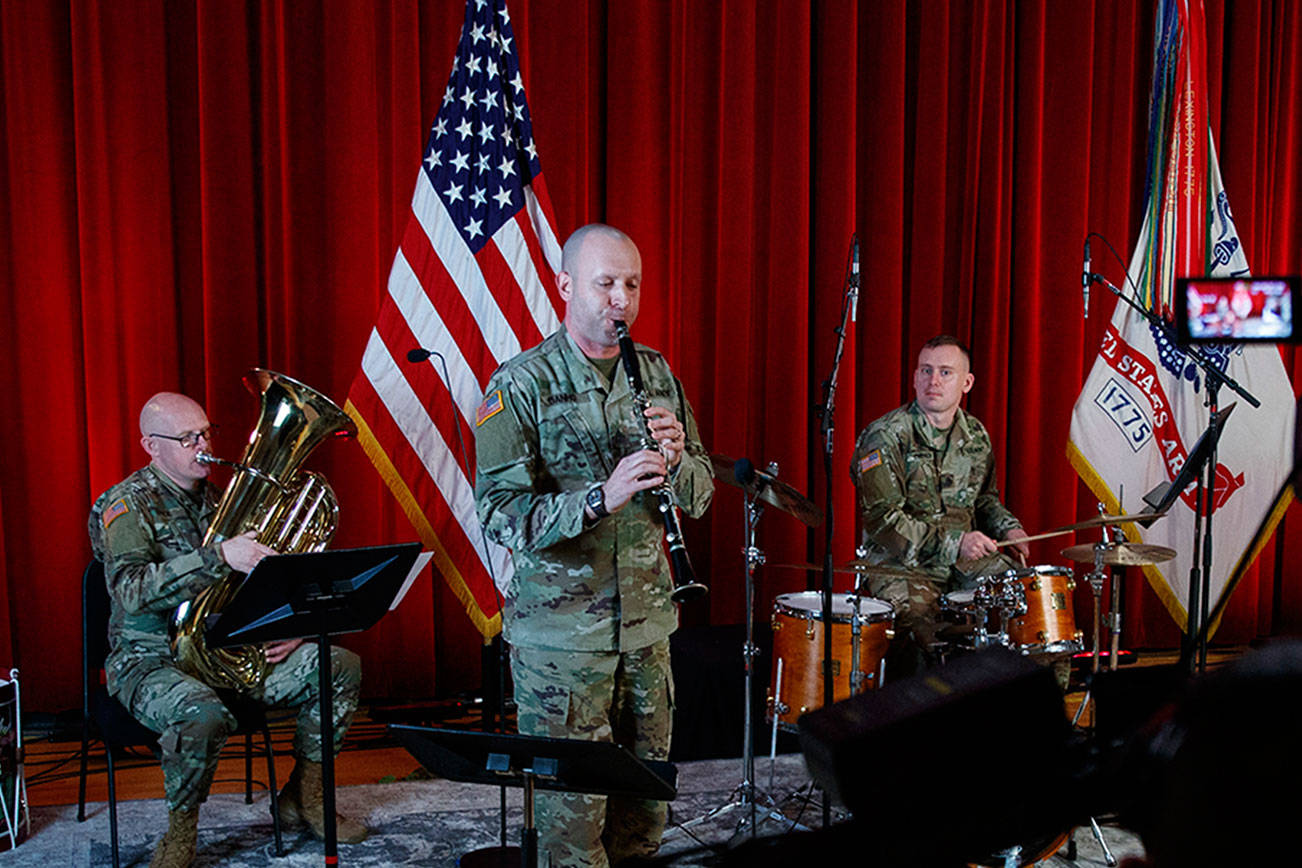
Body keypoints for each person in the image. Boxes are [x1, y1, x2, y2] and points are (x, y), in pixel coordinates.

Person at [474, 223, 713, 868]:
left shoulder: (657, 374)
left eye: (631, 285)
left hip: (648, 627)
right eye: (605, 283)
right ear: (565, 286)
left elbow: (701, 493)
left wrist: (680, 457)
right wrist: (597, 497)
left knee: (645, 809)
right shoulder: (518, 384)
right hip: (560, 642)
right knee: (570, 823)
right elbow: (498, 513)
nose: (620, 299)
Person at [88, 392, 367, 868]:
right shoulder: (125, 506)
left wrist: (290, 626)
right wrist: (218, 556)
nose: (202, 446)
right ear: (151, 446)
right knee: (201, 715)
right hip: (149, 658)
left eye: (205, 433)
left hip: (223, 647)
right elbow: (131, 590)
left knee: (338, 666)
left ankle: (305, 796)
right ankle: (179, 835)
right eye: (187, 438)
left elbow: (259, 583)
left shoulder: (223, 501)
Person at [850, 335, 1029, 676]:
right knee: (922, 633)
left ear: (967, 382)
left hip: (964, 560)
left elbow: (985, 498)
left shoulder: (975, 435)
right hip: (901, 564)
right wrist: (957, 542)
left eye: (945, 372)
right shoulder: (885, 436)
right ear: (915, 377)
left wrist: (1008, 526)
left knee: (1024, 605)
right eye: (926, 371)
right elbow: (884, 522)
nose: (934, 381)